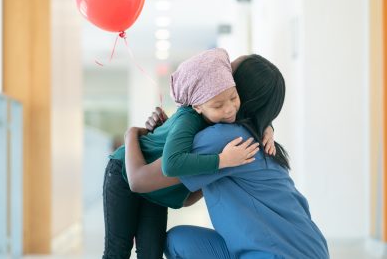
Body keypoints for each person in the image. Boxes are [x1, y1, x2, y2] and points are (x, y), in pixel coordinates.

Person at [126, 54, 329, 258]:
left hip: (276, 254)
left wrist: (131, 134)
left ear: (237, 90)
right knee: (178, 240)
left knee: (176, 243)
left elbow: (139, 180)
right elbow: (187, 197)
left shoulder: (222, 138)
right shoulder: (255, 134)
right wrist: (171, 132)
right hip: (312, 248)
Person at [103, 48, 271, 259]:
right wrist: (222, 160)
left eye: (233, 98)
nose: (229, 110)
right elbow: (171, 164)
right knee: (118, 249)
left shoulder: (221, 112)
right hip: (123, 171)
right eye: (218, 105)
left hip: (154, 189)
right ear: (198, 107)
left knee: (151, 252)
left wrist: (267, 127)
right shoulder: (189, 118)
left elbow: (251, 111)